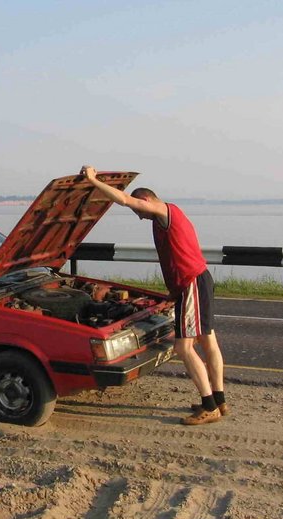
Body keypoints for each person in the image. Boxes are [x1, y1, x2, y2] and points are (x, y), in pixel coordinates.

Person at [81, 165, 228, 425]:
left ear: (146, 200)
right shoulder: (168, 218)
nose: (138, 216)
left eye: (139, 210)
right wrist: (173, 292)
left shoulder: (164, 211)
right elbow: (177, 255)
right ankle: (219, 400)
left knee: (184, 348)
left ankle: (209, 406)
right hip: (198, 279)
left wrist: (93, 180)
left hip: (192, 283)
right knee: (208, 342)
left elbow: (125, 199)